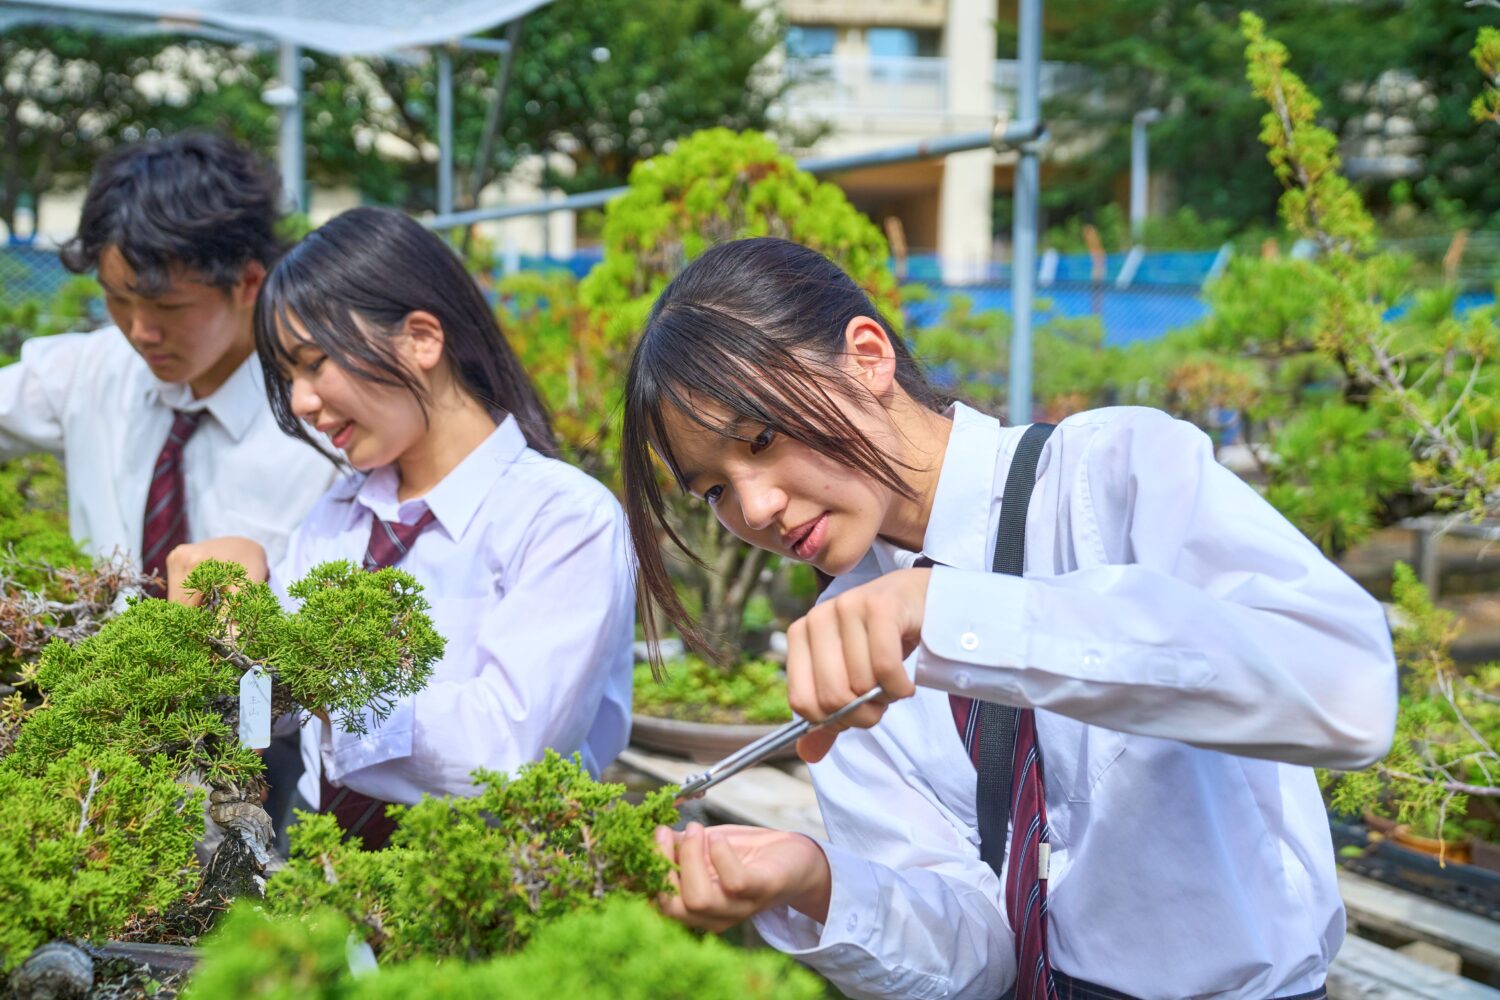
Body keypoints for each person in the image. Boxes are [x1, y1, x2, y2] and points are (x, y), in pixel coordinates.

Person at [621, 237, 1397, 999]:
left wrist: (959, 615)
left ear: (867, 357)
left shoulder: (1114, 478)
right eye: (713, 490)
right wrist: (819, 883)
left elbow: (1347, 695)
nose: (755, 505)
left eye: (761, 438)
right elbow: (982, 958)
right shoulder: (849, 648)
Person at [169, 206, 634, 851]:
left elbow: (507, 752)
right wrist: (232, 642)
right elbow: (269, 727)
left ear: (421, 338)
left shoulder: (561, 517)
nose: (301, 402)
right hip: (317, 862)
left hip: (479, 885)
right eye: (286, 378)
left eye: (313, 363)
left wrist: (313, 674)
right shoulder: (337, 515)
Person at [0, 133, 335, 586]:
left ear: (248, 281)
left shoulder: (327, 426)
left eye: (169, 306)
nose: (140, 331)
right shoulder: (94, 369)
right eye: (117, 299)